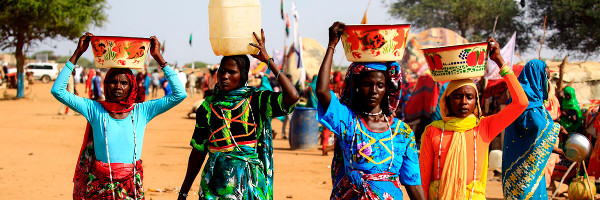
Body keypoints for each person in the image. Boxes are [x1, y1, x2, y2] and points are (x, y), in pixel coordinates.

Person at [51, 33, 186, 199]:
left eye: (124, 83)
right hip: (99, 187)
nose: (118, 86)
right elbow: (58, 91)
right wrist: (78, 53)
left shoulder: (141, 111)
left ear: (131, 87)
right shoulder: (94, 109)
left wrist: (158, 57)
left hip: (131, 187)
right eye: (113, 82)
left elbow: (179, 94)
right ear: (106, 85)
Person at [178, 30, 299, 200]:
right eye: (221, 71)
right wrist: (184, 191)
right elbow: (198, 151)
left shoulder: (256, 100)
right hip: (214, 187)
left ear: (242, 75)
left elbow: (292, 97)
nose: (224, 76)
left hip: (250, 188)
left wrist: (268, 61)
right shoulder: (208, 106)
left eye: (231, 72)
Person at [316, 22, 425, 200]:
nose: (374, 90)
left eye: (380, 85)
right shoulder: (348, 122)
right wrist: (331, 45)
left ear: (387, 89)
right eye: (367, 84)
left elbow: (413, 184)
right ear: (357, 87)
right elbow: (321, 91)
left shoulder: (402, 133)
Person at [419, 38, 529, 199]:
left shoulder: (484, 127)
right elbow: (423, 178)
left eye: (469, 97)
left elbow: (521, 102)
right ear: (447, 101)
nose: (464, 102)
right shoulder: (433, 131)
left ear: (476, 101)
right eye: (457, 96)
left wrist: (499, 61)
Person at [501, 59, 560, 199]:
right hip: (522, 164)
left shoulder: (536, 101)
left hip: (533, 164)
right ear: (536, 77)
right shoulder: (523, 101)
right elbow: (536, 127)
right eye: (544, 77)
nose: (546, 82)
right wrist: (557, 128)